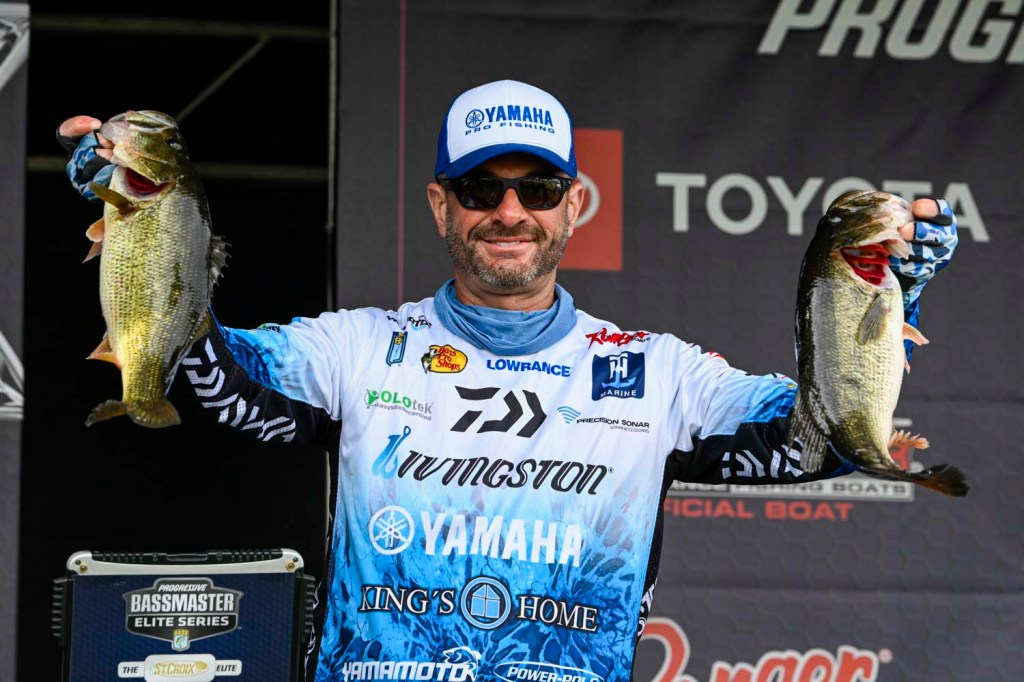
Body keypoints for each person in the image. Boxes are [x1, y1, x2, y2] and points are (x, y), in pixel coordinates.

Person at [58, 79, 957, 682]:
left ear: (575, 204)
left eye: (539, 187)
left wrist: (873, 301)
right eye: (481, 189)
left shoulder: (659, 372)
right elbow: (211, 379)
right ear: (440, 204)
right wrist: (152, 226)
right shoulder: (358, 347)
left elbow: (820, 444)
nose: (510, 212)